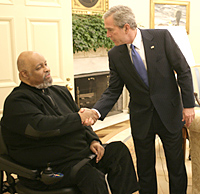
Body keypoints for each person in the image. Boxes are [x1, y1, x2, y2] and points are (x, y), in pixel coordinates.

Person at [0, 51, 140, 194]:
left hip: (79, 156)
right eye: (39, 67)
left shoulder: (59, 92)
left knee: (118, 151)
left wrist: (93, 141)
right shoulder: (17, 101)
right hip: (51, 167)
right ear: (24, 74)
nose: (47, 69)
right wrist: (79, 117)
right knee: (91, 177)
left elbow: (81, 123)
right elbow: (41, 127)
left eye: (46, 64)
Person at [91, 5, 195, 194]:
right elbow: (114, 89)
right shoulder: (115, 55)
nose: (107, 35)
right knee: (145, 169)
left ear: (126, 27)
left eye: (110, 29)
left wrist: (188, 106)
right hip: (141, 118)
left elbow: (183, 70)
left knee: (176, 167)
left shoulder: (161, 38)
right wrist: (96, 111)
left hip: (169, 113)